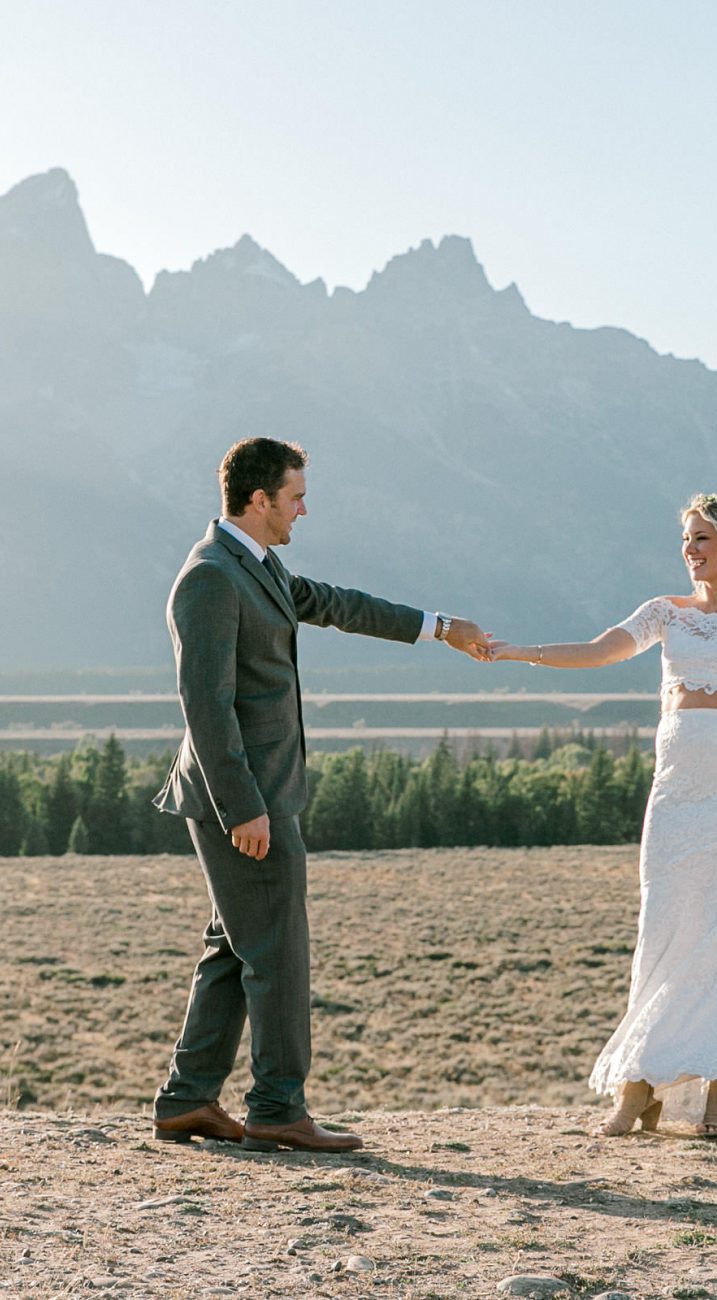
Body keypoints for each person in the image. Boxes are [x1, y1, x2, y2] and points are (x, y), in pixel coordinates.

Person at [151, 437, 492, 1153]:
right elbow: (206, 706)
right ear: (259, 500)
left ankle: (187, 1099)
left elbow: (336, 604)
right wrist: (244, 807)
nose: (303, 510)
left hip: (263, 793)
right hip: (243, 800)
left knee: (234, 944)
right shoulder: (210, 577)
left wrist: (440, 629)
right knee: (278, 951)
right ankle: (277, 1107)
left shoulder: (257, 565)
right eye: (295, 497)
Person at [489, 492, 717, 1137]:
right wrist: (517, 651)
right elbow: (599, 650)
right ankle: (639, 1087)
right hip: (676, 792)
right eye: (686, 539)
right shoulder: (666, 611)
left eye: (703, 539)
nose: (690, 550)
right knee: (666, 929)